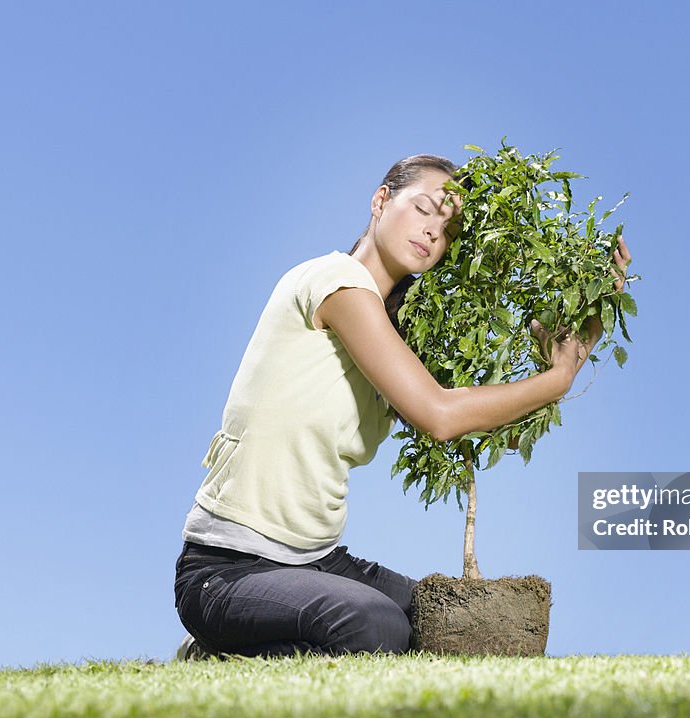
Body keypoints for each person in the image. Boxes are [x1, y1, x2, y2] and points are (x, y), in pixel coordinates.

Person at [173, 154, 632, 659]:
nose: (434, 232)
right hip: (229, 568)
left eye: (448, 229)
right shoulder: (336, 282)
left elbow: (483, 430)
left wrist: (588, 314)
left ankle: (259, 638)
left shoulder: (395, 336)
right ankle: (216, 650)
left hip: (317, 561)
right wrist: (557, 380)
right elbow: (441, 415)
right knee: (375, 628)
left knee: (453, 623)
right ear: (380, 200)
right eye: (424, 209)